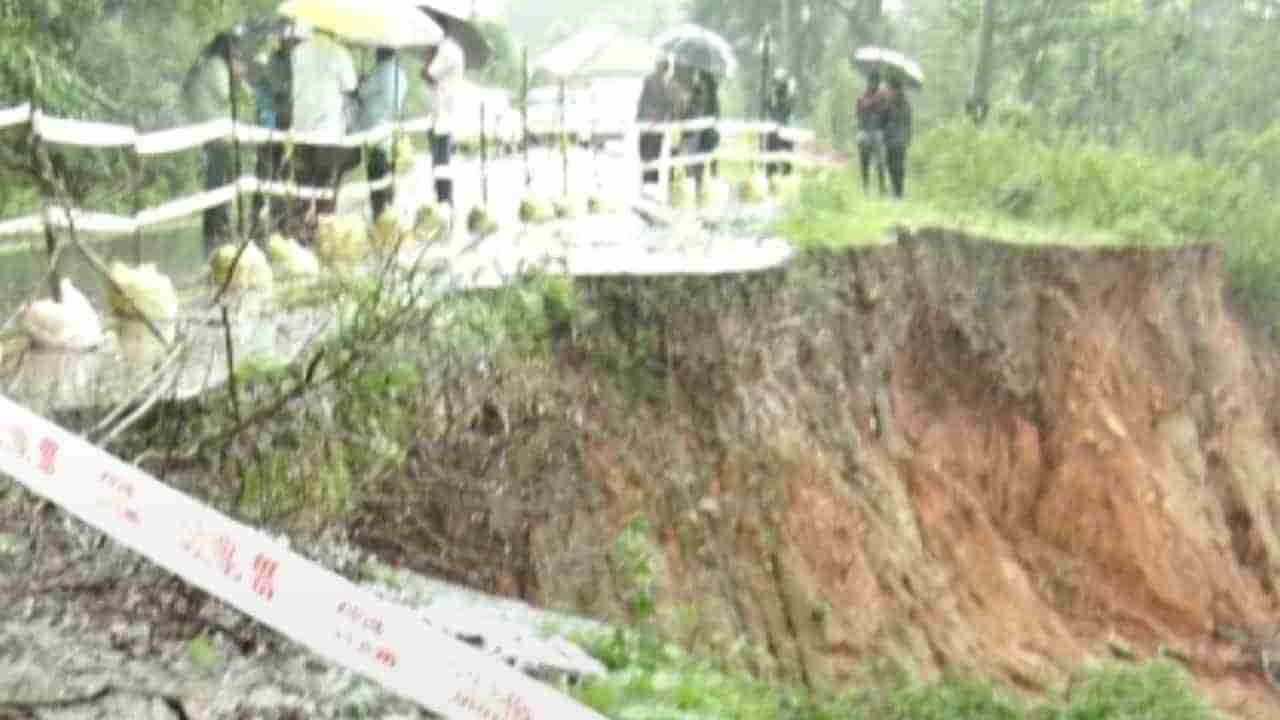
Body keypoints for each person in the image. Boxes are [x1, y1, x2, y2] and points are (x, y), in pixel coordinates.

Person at [289, 22, 358, 233]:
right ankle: (323, 231)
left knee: (302, 183)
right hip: (328, 130)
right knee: (326, 185)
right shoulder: (340, 53)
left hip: (301, 128)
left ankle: (300, 231)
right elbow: (351, 85)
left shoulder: (297, 52)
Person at [182, 31, 246, 255]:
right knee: (220, 178)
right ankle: (218, 225)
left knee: (216, 178)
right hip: (216, 129)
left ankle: (215, 224)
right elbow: (224, 95)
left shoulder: (206, 63)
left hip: (208, 126)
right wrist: (236, 78)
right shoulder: (217, 66)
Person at [248, 34, 295, 240]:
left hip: (278, 120)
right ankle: (260, 212)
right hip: (271, 120)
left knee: (280, 168)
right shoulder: (274, 63)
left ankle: (278, 212)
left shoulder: (284, 62)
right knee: (268, 166)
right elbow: (279, 92)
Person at [354, 47, 408, 220]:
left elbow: (362, 93)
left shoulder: (379, 72)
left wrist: (362, 80)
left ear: (380, 54)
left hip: (373, 126)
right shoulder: (401, 74)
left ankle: (378, 212)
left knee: (375, 171)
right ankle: (389, 207)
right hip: (391, 126)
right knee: (389, 169)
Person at [423, 19, 466, 207]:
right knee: (442, 160)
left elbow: (428, 74)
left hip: (442, 112)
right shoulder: (452, 49)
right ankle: (444, 198)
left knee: (440, 160)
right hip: (445, 111)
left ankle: (444, 200)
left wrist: (428, 57)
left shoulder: (445, 49)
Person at [636, 56, 681, 185]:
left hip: (651, 124)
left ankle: (650, 181)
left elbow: (645, 102)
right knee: (651, 152)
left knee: (650, 153)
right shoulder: (663, 83)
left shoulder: (654, 81)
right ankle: (650, 181)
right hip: (652, 123)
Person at [681, 68, 721, 188]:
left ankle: (695, 188)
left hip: (696, 132)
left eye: (696, 74)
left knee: (692, 164)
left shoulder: (698, 91)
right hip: (707, 133)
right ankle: (700, 187)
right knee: (701, 165)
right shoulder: (712, 94)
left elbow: (693, 111)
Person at [856, 71, 890, 194]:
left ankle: (882, 188)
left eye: (876, 82)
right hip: (864, 131)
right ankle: (866, 186)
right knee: (864, 160)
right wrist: (877, 100)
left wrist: (884, 102)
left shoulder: (883, 97)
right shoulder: (863, 96)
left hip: (877, 131)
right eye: (873, 82)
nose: (874, 84)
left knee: (880, 161)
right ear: (869, 82)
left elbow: (886, 114)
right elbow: (863, 108)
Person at [882, 74, 912, 198]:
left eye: (890, 88)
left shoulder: (899, 104)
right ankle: (897, 191)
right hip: (896, 138)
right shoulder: (902, 104)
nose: (889, 91)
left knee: (895, 165)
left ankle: (897, 192)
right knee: (893, 164)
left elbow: (907, 122)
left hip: (896, 138)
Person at [765, 68, 796, 178]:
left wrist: (790, 92)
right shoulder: (773, 94)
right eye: (777, 81)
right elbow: (769, 106)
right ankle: (771, 173)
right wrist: (773, 96)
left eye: (780, 82)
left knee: (787, 153)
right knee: (771, 152)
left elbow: (789, 108)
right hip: (774, 127)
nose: (778, 85)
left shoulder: (788, 94)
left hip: (785, 126)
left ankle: (785, 174)